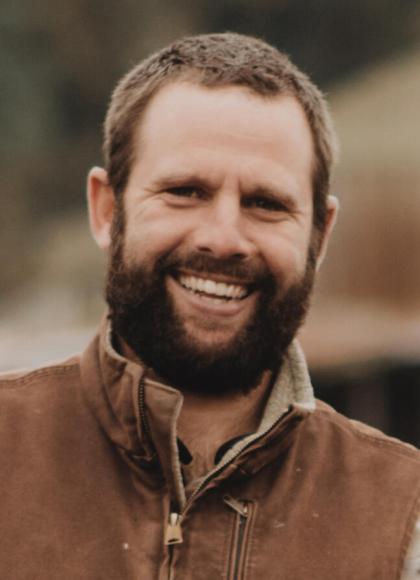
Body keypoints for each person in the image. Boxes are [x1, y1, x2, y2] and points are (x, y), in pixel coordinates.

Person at [1, 32, 419, 579]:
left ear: (319, 236)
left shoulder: (404, 517)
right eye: (185, 191)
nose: (224, 239)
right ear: (106, 210)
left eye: (265, 203)